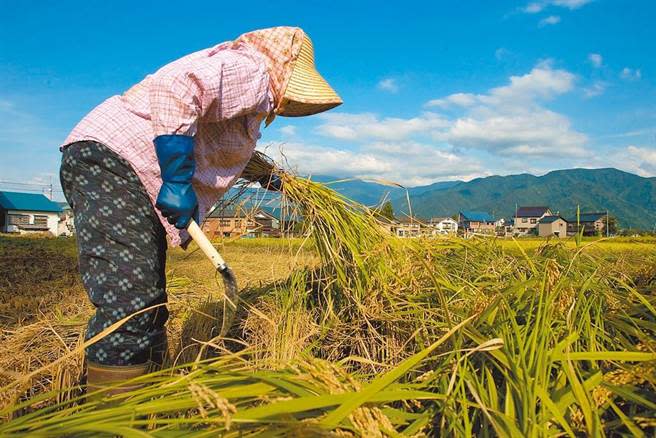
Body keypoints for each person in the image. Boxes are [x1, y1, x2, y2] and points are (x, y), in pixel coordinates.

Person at [59, 26, 342, 394]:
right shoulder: (254, 72)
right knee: (130, 302)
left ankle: (143, 403)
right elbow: (176, 86)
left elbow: (214, 136)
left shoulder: (251, 98)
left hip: (125, 169)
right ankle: (106, 421)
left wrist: (271, 176)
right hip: (112, 160)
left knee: (147, 301)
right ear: (287, 71)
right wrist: (176, 179)